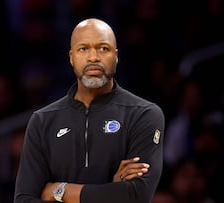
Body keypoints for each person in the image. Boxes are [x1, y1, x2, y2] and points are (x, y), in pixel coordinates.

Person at [14, 17, 165, 203]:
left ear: (116, 56)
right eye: (83, 49)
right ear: (71, 57)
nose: (93, 57)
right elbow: (24, 200)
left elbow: (136, 195)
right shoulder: (42, 121)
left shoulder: (143, 114)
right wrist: (111, 189)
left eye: (103, 48)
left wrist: (60, 191)